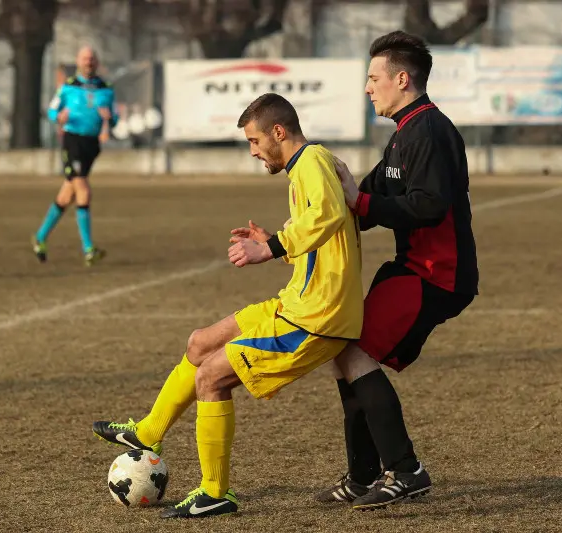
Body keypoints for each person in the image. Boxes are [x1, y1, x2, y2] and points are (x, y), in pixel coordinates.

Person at [92, 93, 371, 519]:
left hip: (317, 317)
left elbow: (331, 215)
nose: (253, 152)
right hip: (298, 303)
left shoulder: (311, 161)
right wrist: (273, 241)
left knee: (211, 378)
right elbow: (325, 244)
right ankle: (147, 433)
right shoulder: (306, 167)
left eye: (255, 141)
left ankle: (214, 491)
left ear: (279, 132)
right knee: (200, 343)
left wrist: (273, 247)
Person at [315, 30, 480, 509]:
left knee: (353, 351)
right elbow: (366, 203)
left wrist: (361, 199)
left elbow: (428, 206)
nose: (368, 88)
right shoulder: (404, 134)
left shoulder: (429, 130)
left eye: (374, 77)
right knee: (345, 352)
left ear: (402, 79)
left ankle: (405, 471)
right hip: (413, 266)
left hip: (437, 272)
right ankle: (363, 476)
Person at [32, 45, 115, 266]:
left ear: (96, 62)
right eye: (85, 58)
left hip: (91, 145)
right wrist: (58, 117)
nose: (89, 62)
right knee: (84, 192)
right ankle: (89, 248)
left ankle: (40, 237)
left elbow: (113, 118)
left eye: (92, 59)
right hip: (72, 141)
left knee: (66, 196)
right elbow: (51, 111)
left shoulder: (106, 89)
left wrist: (110, 119)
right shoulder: (67, 88)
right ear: (78, 62)